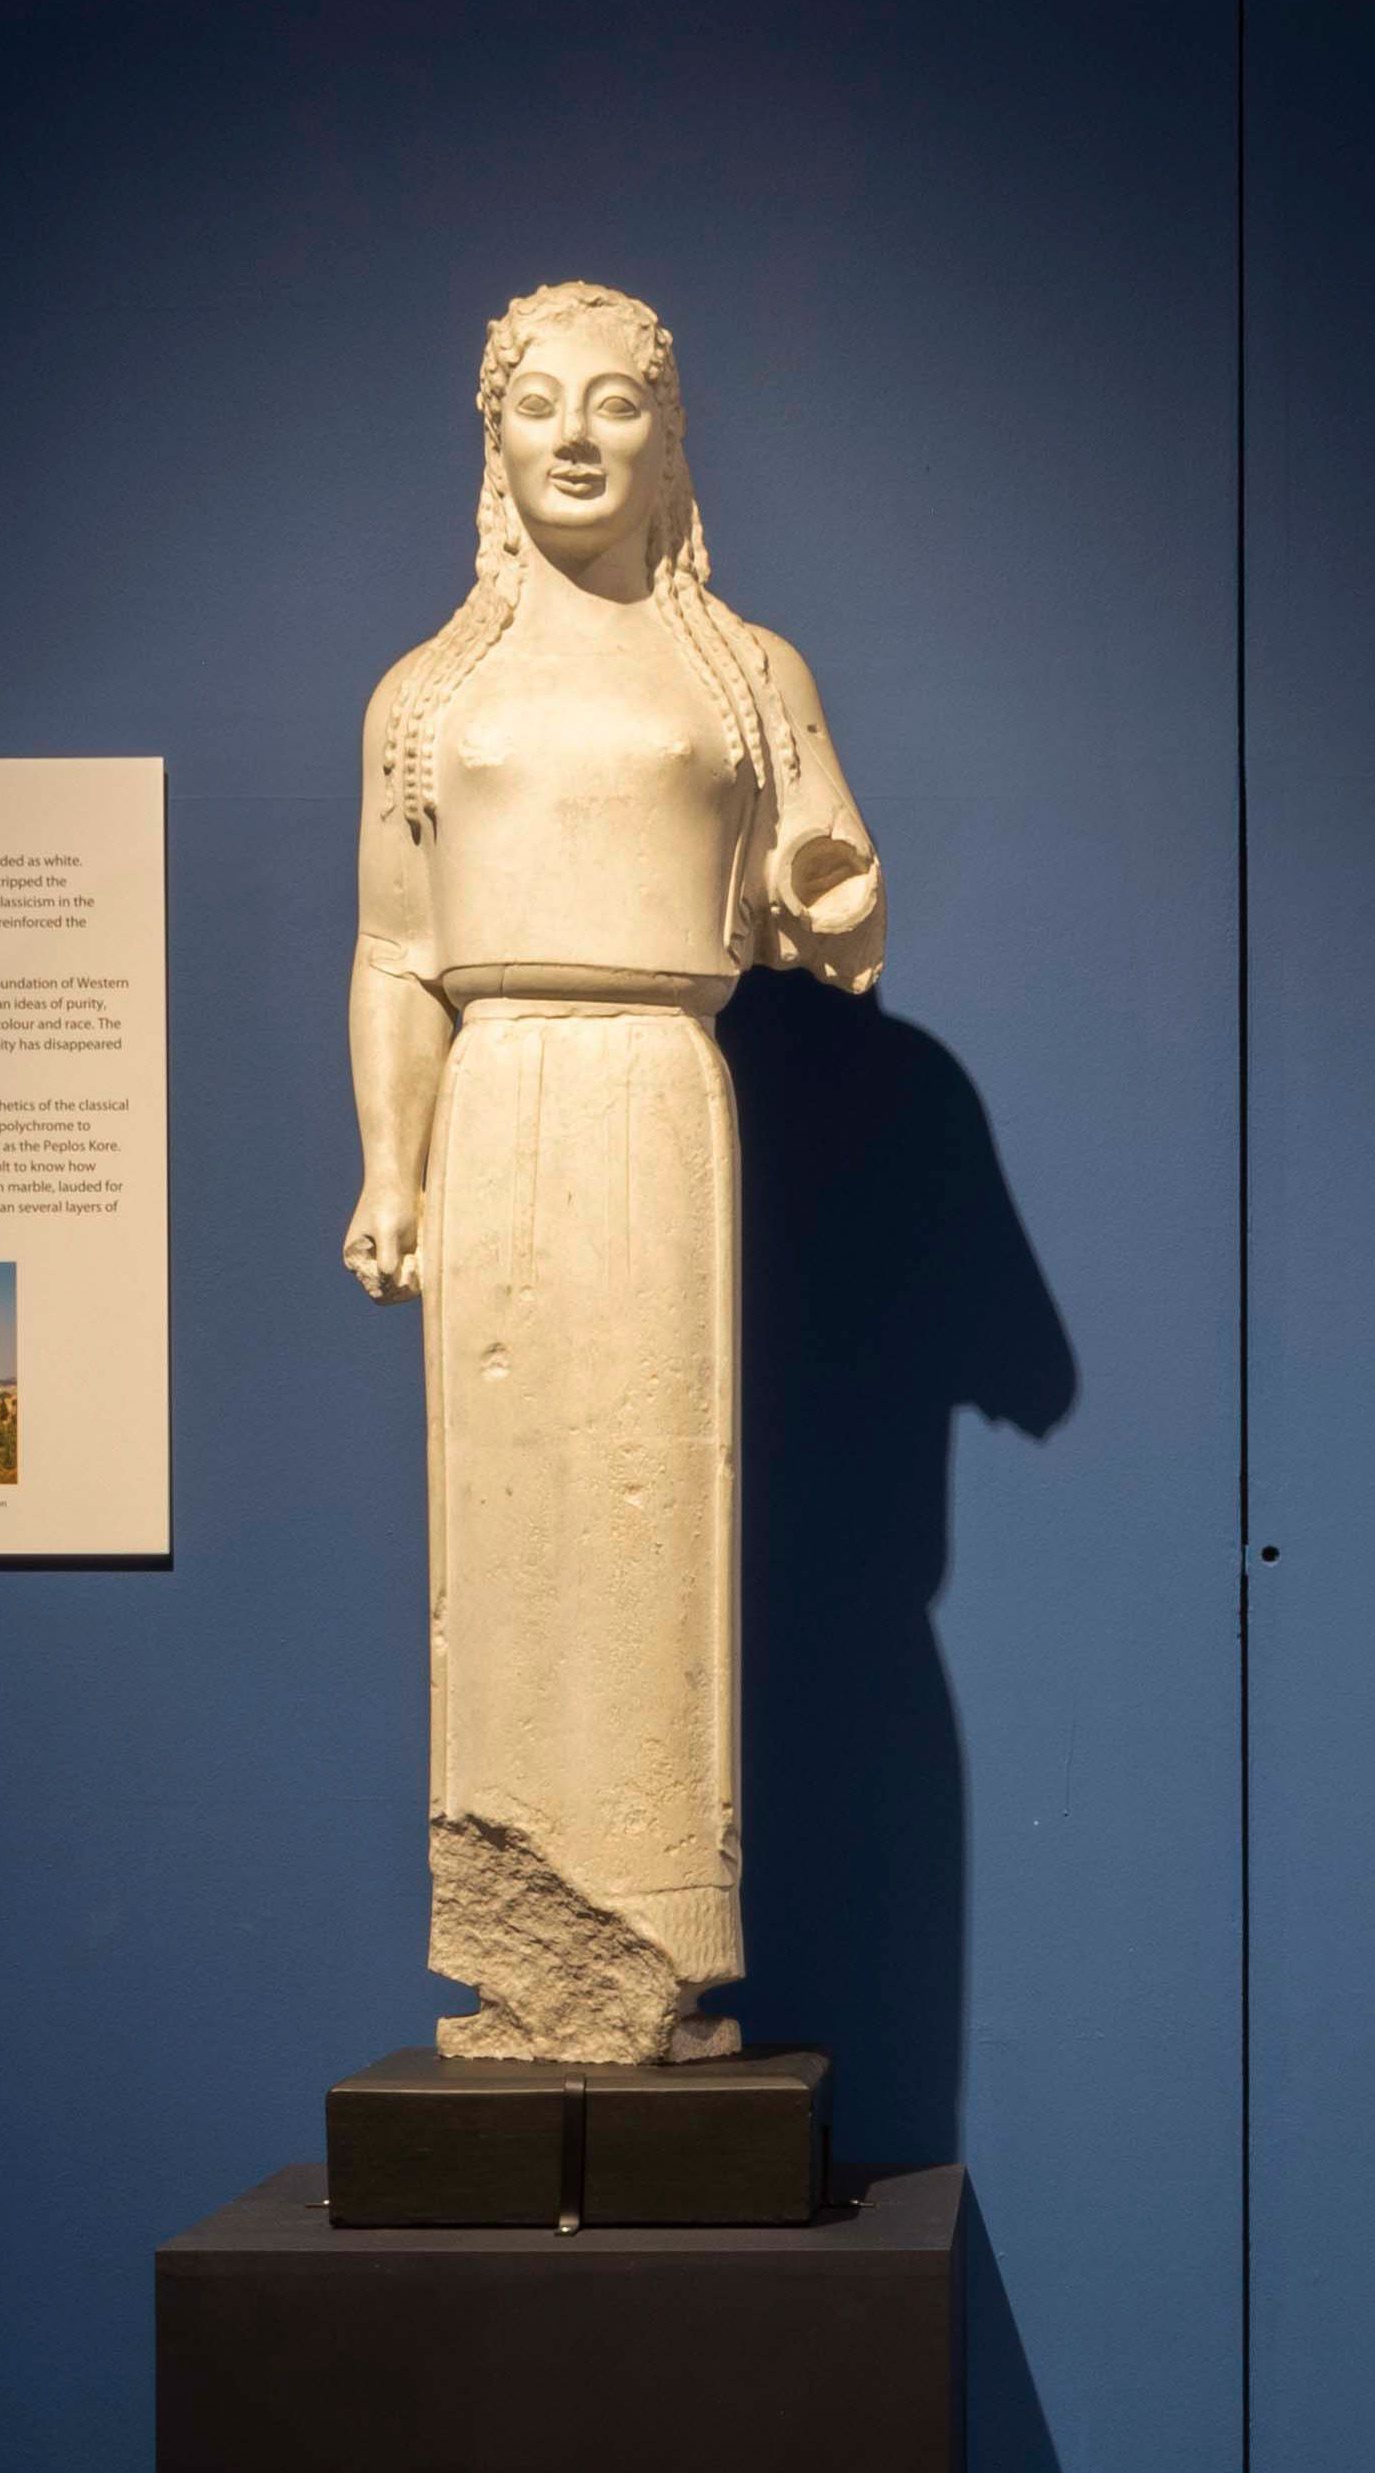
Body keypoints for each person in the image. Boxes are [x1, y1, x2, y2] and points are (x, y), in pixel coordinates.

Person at [344, 281, 882, 2063]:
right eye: (538, 404)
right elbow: (396, 954)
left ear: (672, 438)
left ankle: (643, 1937)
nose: (575, 437)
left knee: (654, 1510)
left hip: (657, 1095)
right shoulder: (428, 695)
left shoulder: (746, 672)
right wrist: (392, 1171)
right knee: (505, 1531)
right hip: (497, 1098)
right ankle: (525, 1949)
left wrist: (827, 896)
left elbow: (828, 896)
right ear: (490, 438)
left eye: (617, 404)